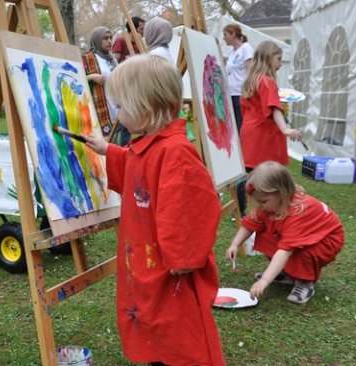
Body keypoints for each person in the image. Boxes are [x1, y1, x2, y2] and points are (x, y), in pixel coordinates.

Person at [83, 54, 225, 366]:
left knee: (180, 337)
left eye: (121, 106)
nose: (117, 113)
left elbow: (192, 203)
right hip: (149, 266)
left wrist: (183, 258)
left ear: (145, 108)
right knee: (155, 329)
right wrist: (108, 150)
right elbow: (138, 165)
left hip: (172, 273)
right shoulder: (150, 144)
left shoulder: (175, 151)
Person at [225, 161, 345, 304]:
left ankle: (305, 282)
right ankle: (287, 272)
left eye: (263, 201)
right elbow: (250, 224)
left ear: (281, 193)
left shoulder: (297, 212)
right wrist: (235, 244)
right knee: (265, 234)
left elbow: (285, 251)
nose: (260, 206)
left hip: (326, 240)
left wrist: (265, 280)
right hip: (307, 234)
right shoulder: (271, 205)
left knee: (303, 250)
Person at [237, 41, 302, 217]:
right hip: (264, 136)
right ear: (268, 57)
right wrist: (285, 129)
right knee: (269, 174)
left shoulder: (250, 81)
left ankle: (242, 209)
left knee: (249, 174)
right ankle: (270, 207)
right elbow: (274, 108)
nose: (281, 63)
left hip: (250, 133)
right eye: (279, 59)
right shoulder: (267, 81)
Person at [81, 27, 130, 146]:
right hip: (101, 109)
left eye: (110, 38)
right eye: (105, 38)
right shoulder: (87, 58)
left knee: (122, 144)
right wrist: (92, 77)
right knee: (107, 146)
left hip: (117, 107)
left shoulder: (112, 58)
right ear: (97, 40)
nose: (109, 41)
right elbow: (77, 81)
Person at [223, 24, 254, 133]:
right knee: (234, 127)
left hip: (241, 94)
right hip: (231, 93)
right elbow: (228, 72)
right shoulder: (231, 52)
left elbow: (250, 70)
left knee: (241, 126)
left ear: (233, 34)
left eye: (225, 34)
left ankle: (244, 149)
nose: (224, 38)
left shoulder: (246, 48)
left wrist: (248, 90)